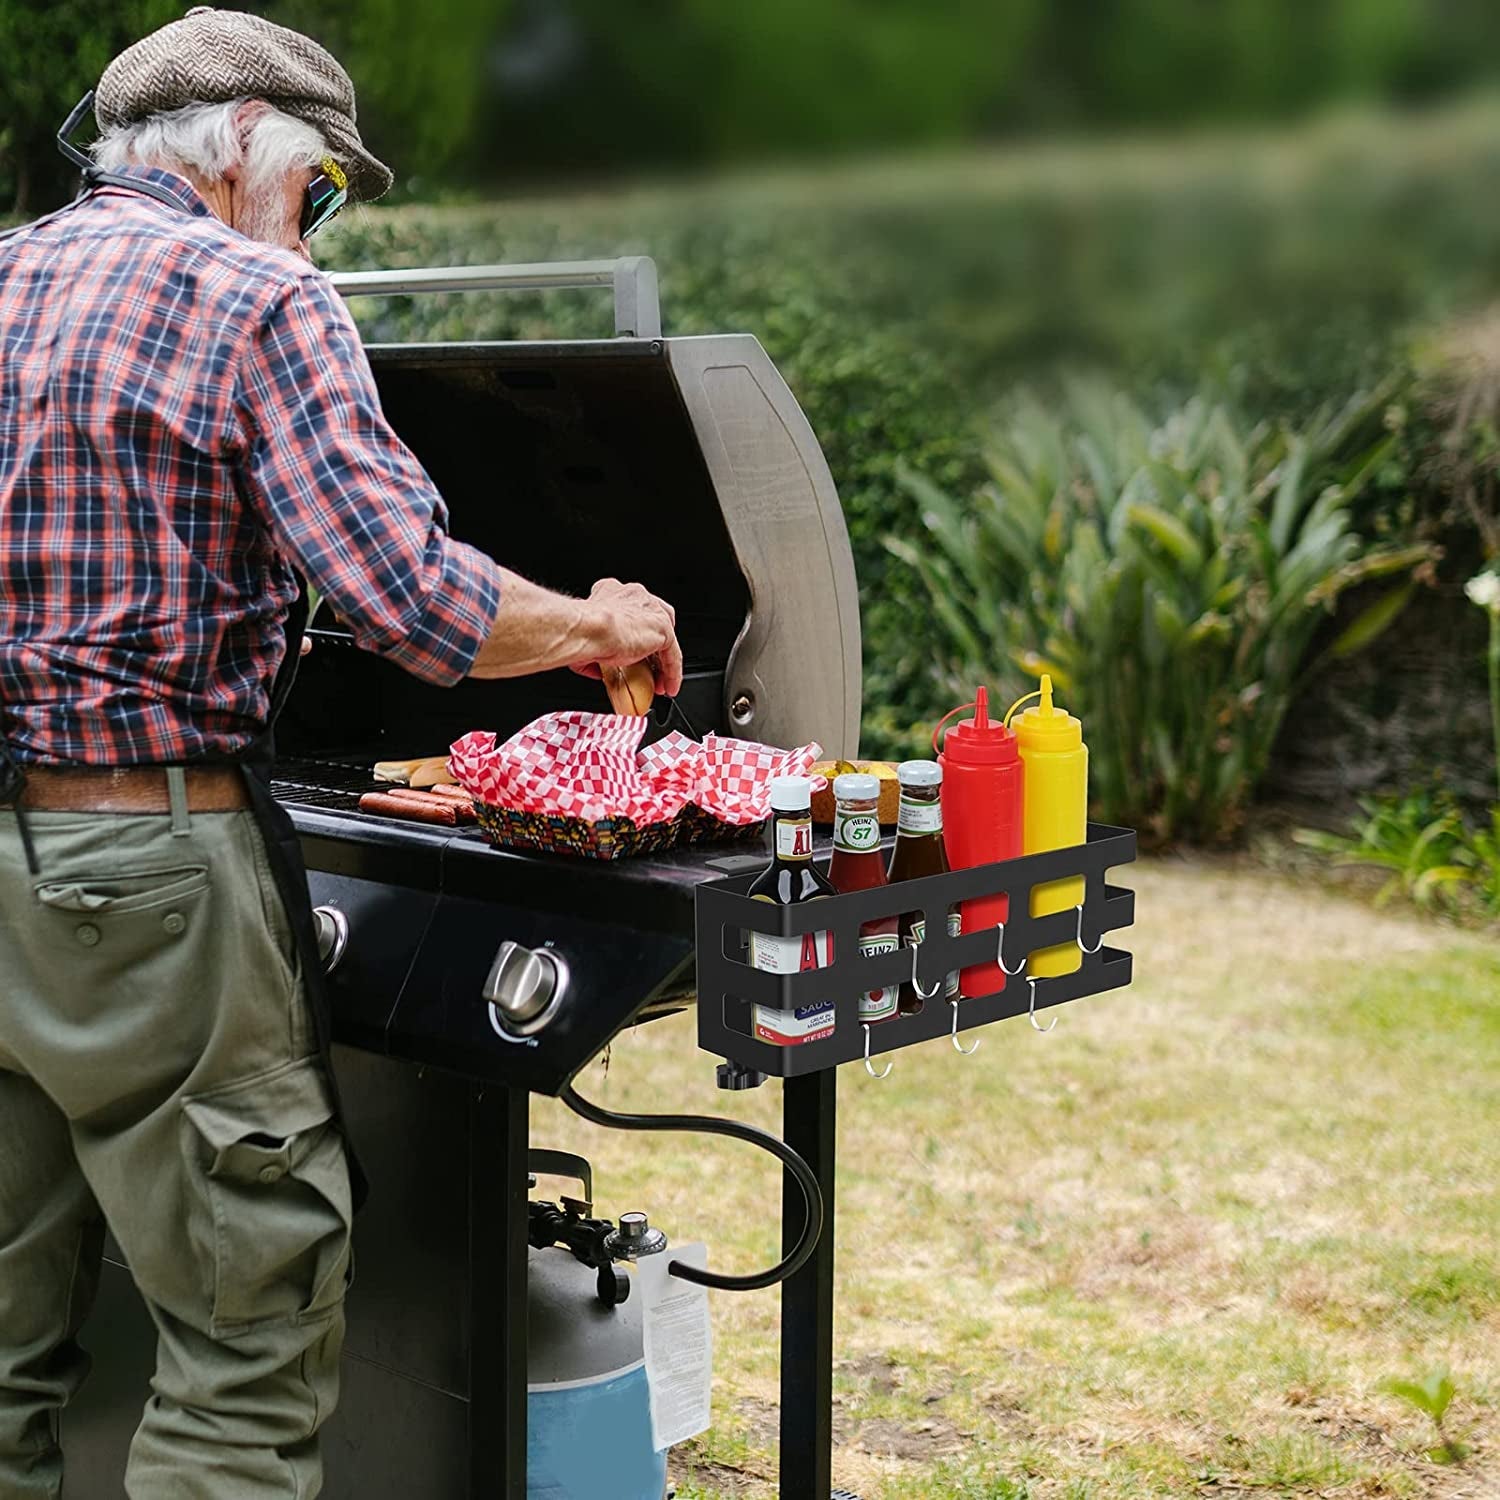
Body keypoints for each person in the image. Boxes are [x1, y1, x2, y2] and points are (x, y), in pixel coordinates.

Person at [0, 8, 683, 1497]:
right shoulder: (253, 298)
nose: (311, 233)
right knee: (246, 1357)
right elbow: (407, 596)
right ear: (248, 144)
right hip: (149, 872)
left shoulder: (2, 278)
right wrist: (596, 621)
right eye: (317, 193)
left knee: (2, 1353)